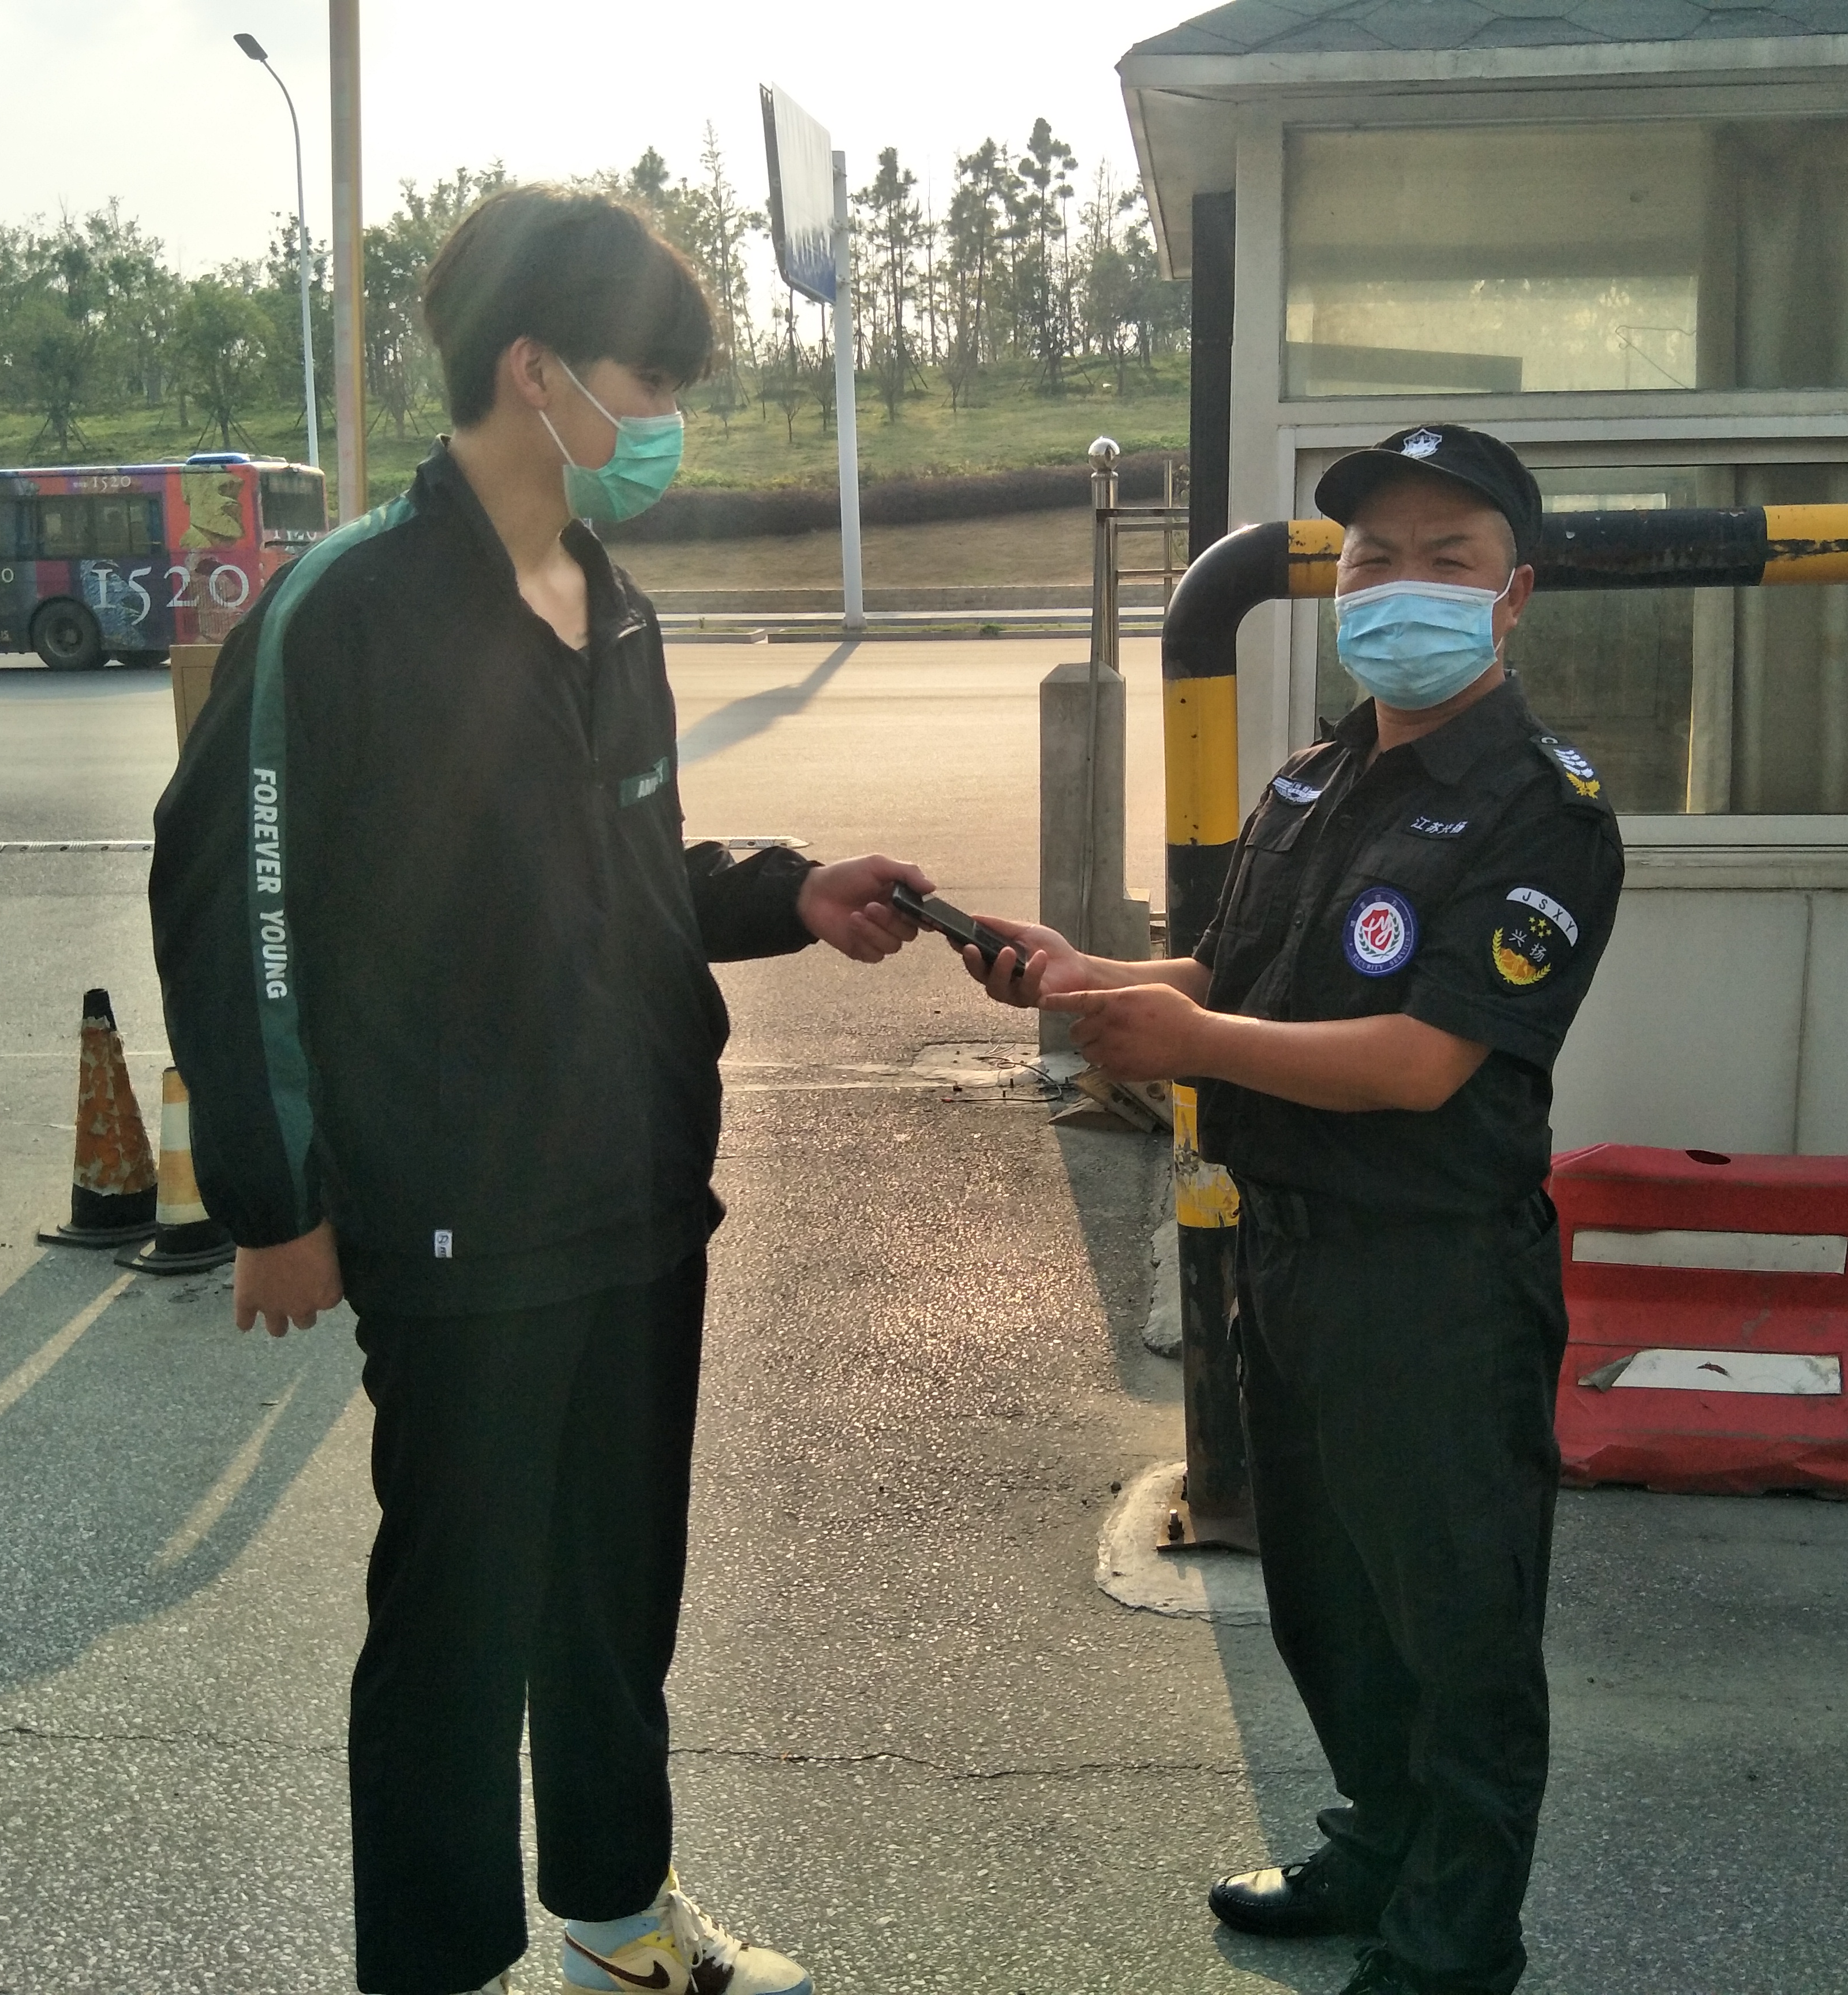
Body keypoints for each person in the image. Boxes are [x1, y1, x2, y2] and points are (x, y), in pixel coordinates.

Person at [149, 188, 932, 1995]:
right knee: (458, 1626)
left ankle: (616, 1919)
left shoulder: (610, 604)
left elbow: (625, 874)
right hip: (457, 1216)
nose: (668, 423)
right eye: (650, 382)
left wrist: (787, 894)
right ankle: (436, 1968)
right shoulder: (344, 611)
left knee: (614, 1595)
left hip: (639, 1196)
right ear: (534, 369)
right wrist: (274, 1202)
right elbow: (231, 913)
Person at [961, 423, 1623, 1995]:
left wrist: (1188, 1042)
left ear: (1513, 593)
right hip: (1291, 1263)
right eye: (1375, 556)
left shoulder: (1542, 808)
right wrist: (1088, 974)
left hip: (1436, 1283)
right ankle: (1378, 1850)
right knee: (1329, 1604)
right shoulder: (1315, 779)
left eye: (1449, 557)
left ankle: (1457, 1940)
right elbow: (1228, 977)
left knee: (1455, 1628)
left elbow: (1421, 1060)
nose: (1403, 583)